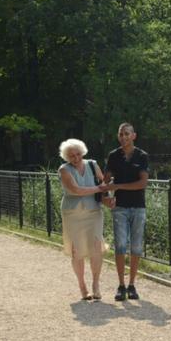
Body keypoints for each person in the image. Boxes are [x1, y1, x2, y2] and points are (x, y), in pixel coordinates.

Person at [58, 138, 109, 301]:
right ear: (66, 157)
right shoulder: (64, 169)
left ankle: (95, 285)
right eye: (72, 155)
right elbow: (76, 190)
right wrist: (98, 188)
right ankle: (82, 286)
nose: (76, 158)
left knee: (96, 247)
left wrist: (107, 194)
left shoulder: (93, 165)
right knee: (77, 251)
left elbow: (104, 183)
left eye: (78, 154)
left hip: (94, 211)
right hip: (73, 214)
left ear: (83, 152)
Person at [103, 123, 149, 301]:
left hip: (138, 207)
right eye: (121, 134)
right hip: (120, 207)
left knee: (136, 247)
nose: (123, 137)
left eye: (127, 134)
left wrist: (118, 186)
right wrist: (106, 197)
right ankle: (121, 285)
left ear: (134, 136)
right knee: (121, 246)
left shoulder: (142, 156)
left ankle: (132, 285)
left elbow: (142, 183)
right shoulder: (113, 156)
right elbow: (105, 181)